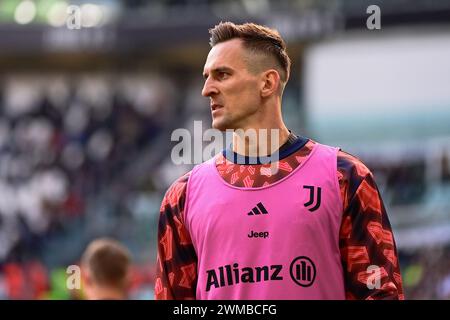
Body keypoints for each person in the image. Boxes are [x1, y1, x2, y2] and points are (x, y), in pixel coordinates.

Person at [155, 21, 404, 300]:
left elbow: (380, 293)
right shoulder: (182, 197)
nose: (207, 89)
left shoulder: (345, 177)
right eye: (206, 77)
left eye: (222, 75)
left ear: (267, 83)